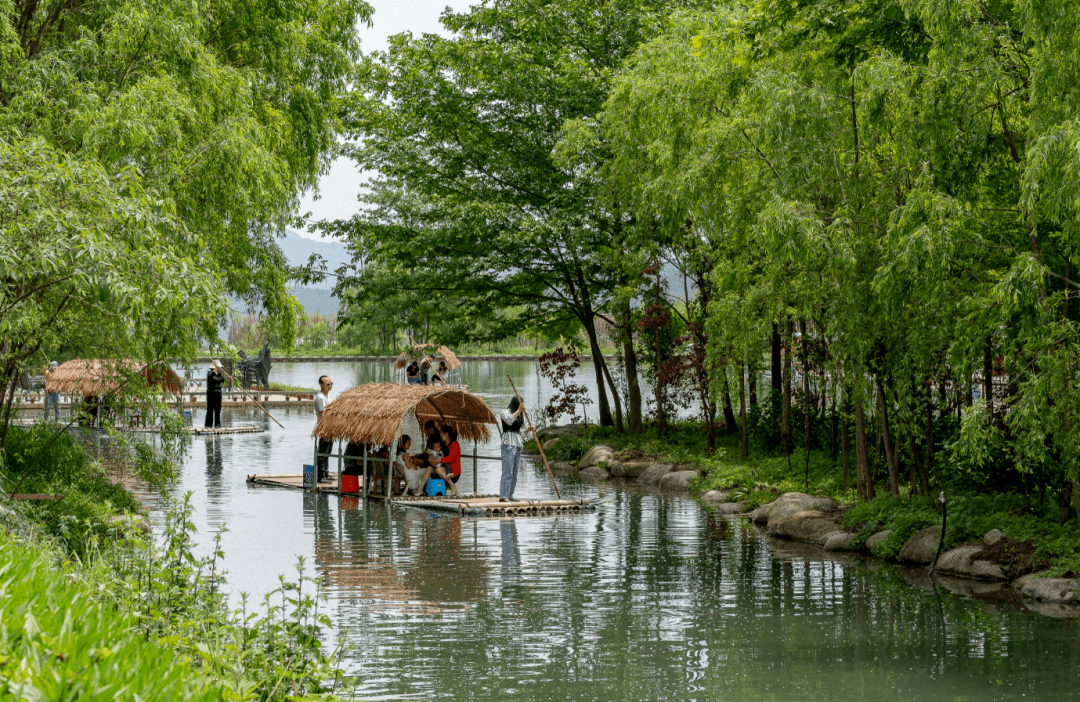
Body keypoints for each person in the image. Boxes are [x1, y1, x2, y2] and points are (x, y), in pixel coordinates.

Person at [499, 396, 527, 502]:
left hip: (517, 445)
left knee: (514, 473)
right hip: (508, 445)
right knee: (508, 471)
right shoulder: (505, 412)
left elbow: (520, 435)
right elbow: (509, 421)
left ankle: (510, 494)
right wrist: (519, 410)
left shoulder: (519, 416)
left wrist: (528, 430)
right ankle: (503, 496)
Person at [314, 375, 333, 482]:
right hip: (324, 427)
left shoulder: (328, 396)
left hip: (330, 427)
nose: (330, 386)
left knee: (328, 451)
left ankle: (325, 473)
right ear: (321, 385)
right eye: (328, 384)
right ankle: (321, 475)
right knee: (323, 451)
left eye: (331, 384)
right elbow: (323, 414)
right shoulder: (320, 397)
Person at [438, 424, 461, 496]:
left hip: (453, 472)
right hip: (444, 468)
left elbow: (451, 458)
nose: (440, 435)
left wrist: (439, 459)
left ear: (446, 434)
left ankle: (452, 486)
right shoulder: (443, 445)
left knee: (438, 469)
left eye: (441, 433)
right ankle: (420, 490)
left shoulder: (455, 444)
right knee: (429, 469)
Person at [205, 360, 224, 428]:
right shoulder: (210, 374)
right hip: (211, 393)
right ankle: (208, 425)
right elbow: (211, 378)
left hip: (218, 393)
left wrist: (228, 379)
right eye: (218, 367)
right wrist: (214, 369)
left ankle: (217, 425)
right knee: (210, 409)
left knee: (218, 409)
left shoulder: (219, 374)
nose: (219, 368)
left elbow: (222, 380)